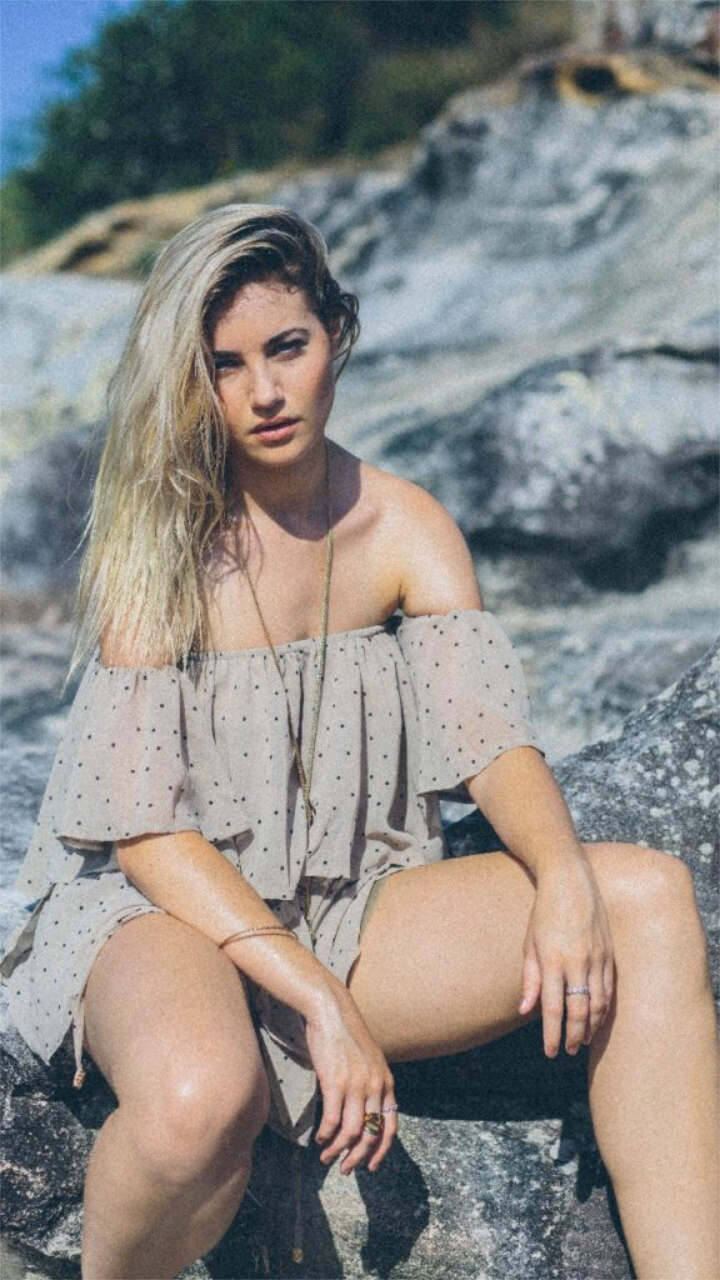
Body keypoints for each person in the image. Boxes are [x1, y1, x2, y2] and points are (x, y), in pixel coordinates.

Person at [1, 204, 717, 1280]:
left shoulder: (404, 525)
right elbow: (146, 830)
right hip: (164, 912)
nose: (265, 391)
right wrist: (318, 999)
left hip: (348, 903)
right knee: (202, 1098)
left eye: (286, 347)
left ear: (337, 333)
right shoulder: (162, 541)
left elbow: (492, 741)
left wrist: (564, 875)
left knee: (646, 899)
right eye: (225, 365)